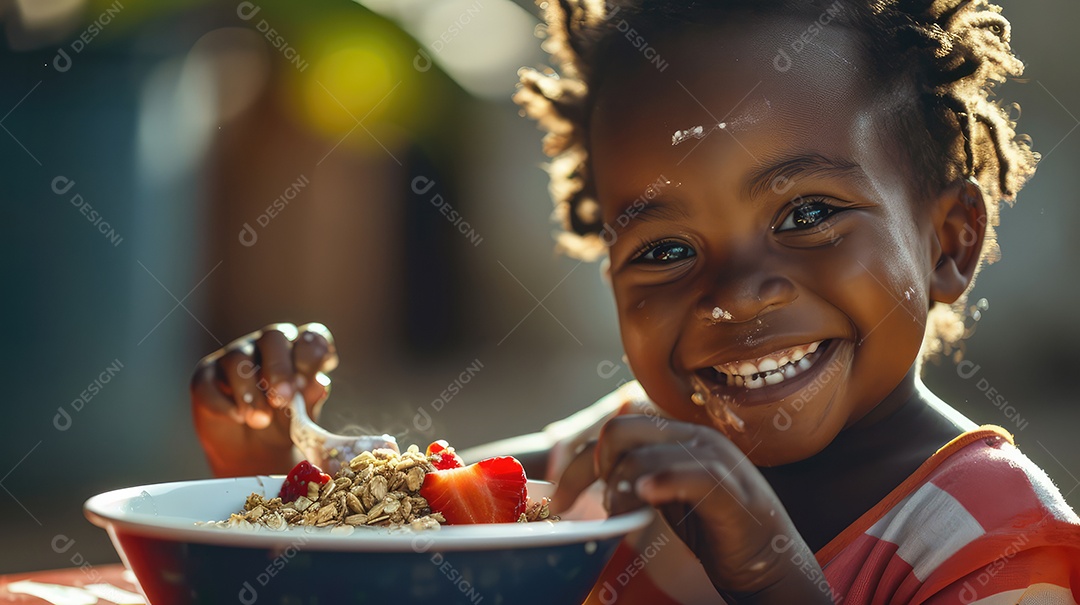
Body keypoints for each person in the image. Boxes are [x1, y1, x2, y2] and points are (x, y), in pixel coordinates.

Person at [190, 0, 1080, 602]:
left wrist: (769, 572)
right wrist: (284, 470)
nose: (736, 293)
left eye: (807, 214)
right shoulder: (617, 456)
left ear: (950, 241)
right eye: (665, 250)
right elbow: (424, 529)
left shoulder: (996, 534)